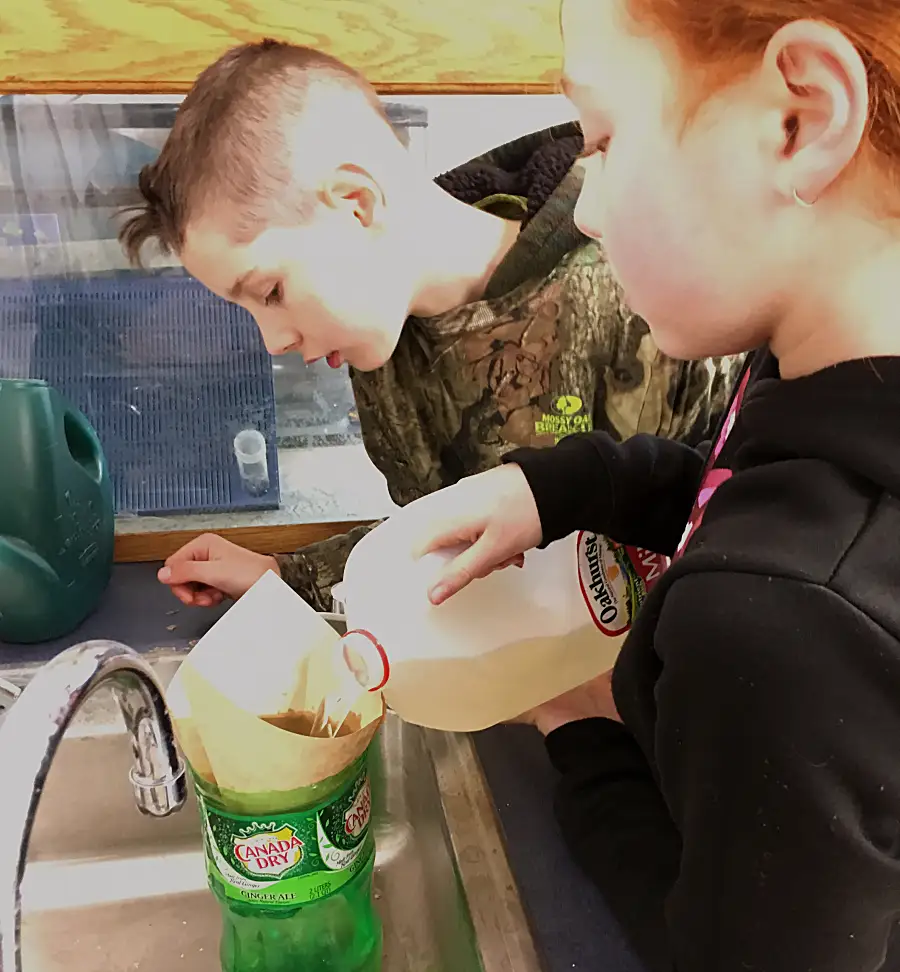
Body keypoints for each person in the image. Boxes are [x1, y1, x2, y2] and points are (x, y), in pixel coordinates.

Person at [398, 0, 900, 969]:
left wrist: (590, 741)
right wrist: (554, 491)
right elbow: (734, 483)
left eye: (604, 137)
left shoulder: (785, 622)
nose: (583, 206)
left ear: (801, 118)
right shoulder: (830, 388)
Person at [116, 40, 744, 612]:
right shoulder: (382, 344)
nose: (274, 340)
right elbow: (453, 538)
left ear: (356, 204)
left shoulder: (636, 278)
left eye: (271, 291)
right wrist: (290, 575)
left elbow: (733, 523)